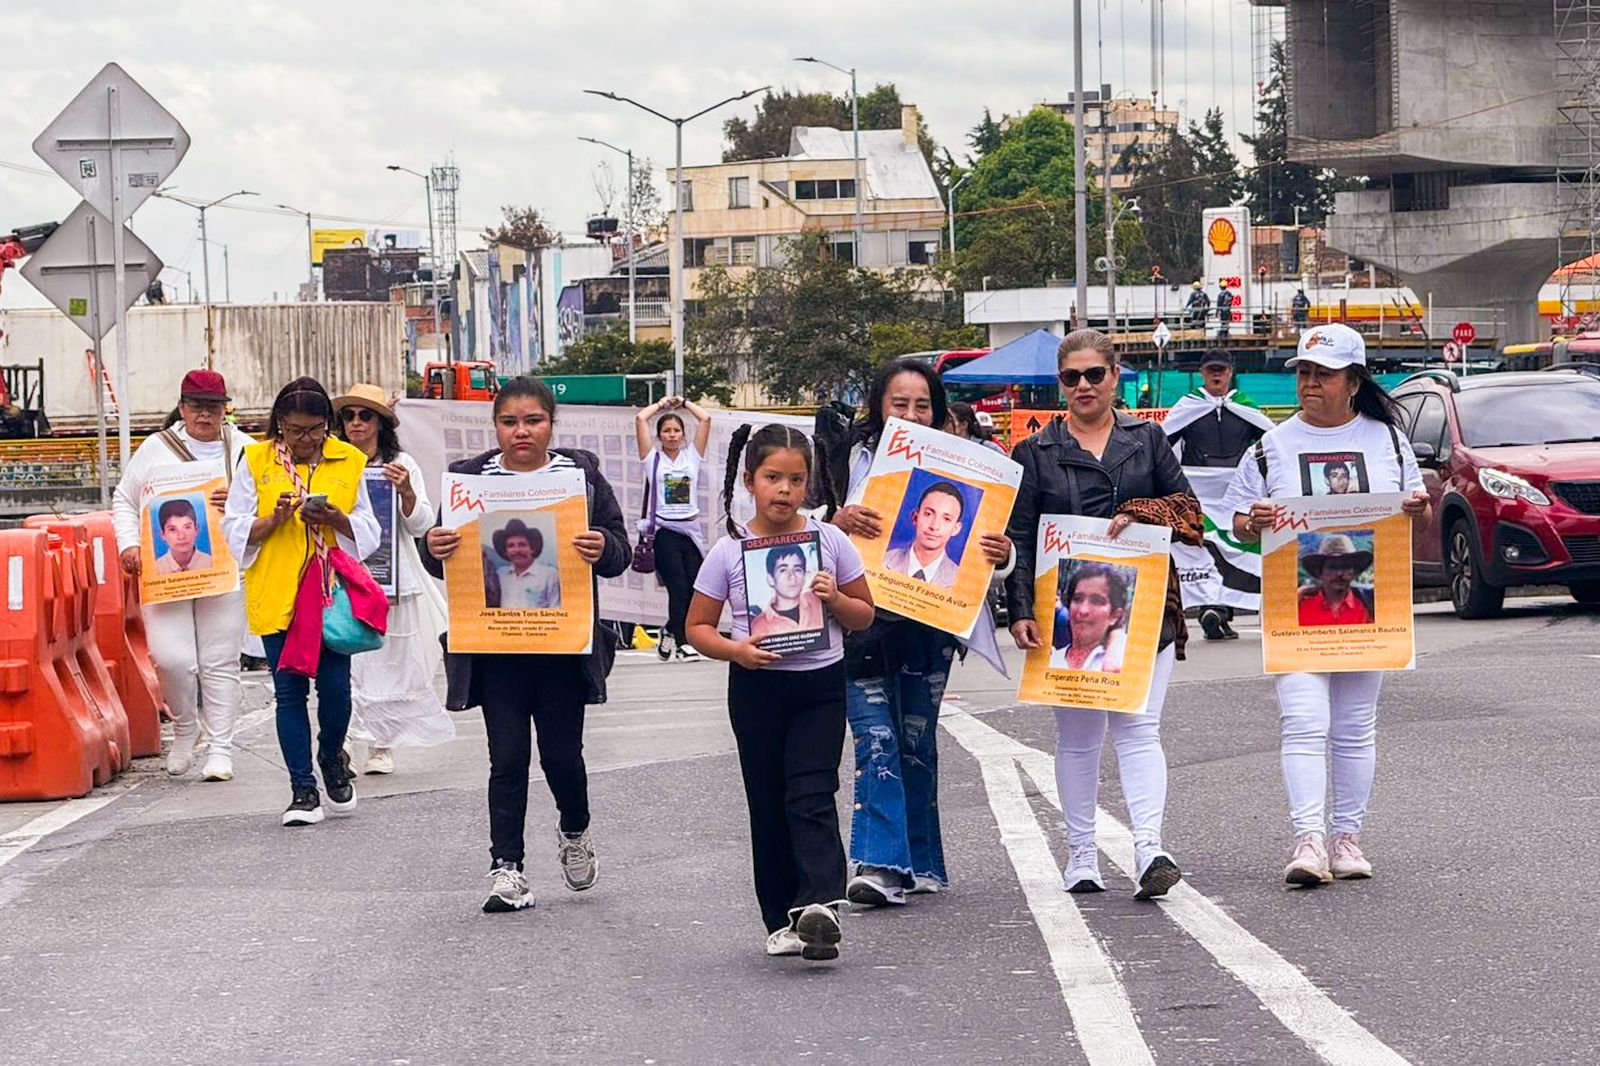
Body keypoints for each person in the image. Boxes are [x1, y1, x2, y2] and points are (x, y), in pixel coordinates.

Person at [1223, 322, 1429, 886]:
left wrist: (1416, 509)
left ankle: (1347, 838)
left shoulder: (1387, 441)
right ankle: (1308, 841)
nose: (1310, 384)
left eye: (1324, 375)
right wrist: (1253, 521)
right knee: (1303, 722)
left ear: (1353, 382)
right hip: (1293, 607)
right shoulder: (1271, 446)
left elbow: (1420, 511)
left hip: (1372, 604)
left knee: (1356, 726)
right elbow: (1237, 524)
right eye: (1305, 373)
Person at [1006, 328, 1205, 899]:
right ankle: (1082, 856)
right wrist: (1020, 607)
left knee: (1140, 730)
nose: (1085, 386)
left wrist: (1142, 510)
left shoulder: (1149, 441)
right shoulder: (1036, 452)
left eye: (1095, 374)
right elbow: (1018, 534)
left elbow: (1191, 513)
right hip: (1068, 615)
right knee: (1077, 740)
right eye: (1072, 377)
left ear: (1115, 377)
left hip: (1147, 612)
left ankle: (1150, 850)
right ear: (1060, 384)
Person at [421, 377, 631, 914]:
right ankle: (506, 869)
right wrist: (434, 546)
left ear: (551, 424)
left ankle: (575, 831)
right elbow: (445, 557)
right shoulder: (469, 479)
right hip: (495, 648)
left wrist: (602, 545)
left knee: (563, 757)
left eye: (533, 420)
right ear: (495, 426)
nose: (521, 431)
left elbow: (619, 550)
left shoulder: (579, 477)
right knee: (507, 757)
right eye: (510, 421)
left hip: (562, 648)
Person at [830, 359, 1014, 907]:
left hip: (930, 627)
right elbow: (800, 523)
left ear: (937, 410)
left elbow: (993, 551)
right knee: (877, 739)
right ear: (877, 406)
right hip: (860, 624)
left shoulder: (970, 467)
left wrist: (1002, 557)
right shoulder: (842, 457)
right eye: (898, 403)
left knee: (915, 742)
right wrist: (836, 520)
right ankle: (880, 864)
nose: (909, 414)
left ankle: (920, 860)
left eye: (921, 405)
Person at [686, 424, 875, 959]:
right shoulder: (729, 551)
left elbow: (863, 615)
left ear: (810, 484)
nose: (784, 490)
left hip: (819, 684)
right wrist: (736, 650)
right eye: (773, 478)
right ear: (750, 481)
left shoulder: (829, 542)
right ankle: (781, 918)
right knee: (767, 803)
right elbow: (696, 627)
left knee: (812, 793)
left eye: (796, 479)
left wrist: (834, 597)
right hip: (756, 687)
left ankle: (820, 904)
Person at [223, 377, 381, 826]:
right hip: (277, 591)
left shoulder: (350, 460)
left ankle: (331, 754)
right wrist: (273, 519)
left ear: (327, 426)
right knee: (289, 693)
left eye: (313, 430)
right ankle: (302, 789)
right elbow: (233, 528)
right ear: (279, 425)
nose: (304, 440)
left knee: (335, 688)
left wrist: (337, 518)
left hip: (330, 595)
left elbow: (369, 530)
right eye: (294, 431)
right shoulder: (255, 460)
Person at [112, 369, 250, 781]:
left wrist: (240, 503)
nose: (204, 415)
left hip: (224, 569)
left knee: (220, 660)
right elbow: (125, 499)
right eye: (195, 406)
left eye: (212, 407)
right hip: (164, 574)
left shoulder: (244, 449)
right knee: (171, 658)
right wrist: (128, 544)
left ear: (225, 410)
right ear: (182, 406)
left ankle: (221, 747)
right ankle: (185, 726)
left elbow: (267, 500)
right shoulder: (156, 448)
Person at [334, 382, 454, 777]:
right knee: (351, 663)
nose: (356, 423)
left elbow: (421, 524)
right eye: (349, 416)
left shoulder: (402, 463)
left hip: (394, 578)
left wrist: (404, 491)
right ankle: (345, 741)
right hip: (344, 577)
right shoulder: (332, 462)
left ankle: (382, 744)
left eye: (364, 415)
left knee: (394, 663)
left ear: (380, 423)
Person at [1161, 349, 1274, 641]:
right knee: (1208, 548)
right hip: (1200, 495)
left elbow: (1270, 443)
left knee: (1239, 546)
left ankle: (1222, 610)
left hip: (1237, 494)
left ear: (1230, 372)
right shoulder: (1188, 406)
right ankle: (1214, 608)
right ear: (1202, 373)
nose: (1216, 375)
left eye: (1221, 370)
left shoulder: (1244, 407)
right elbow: (1160, 446)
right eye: (1211, 370)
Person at [635, 396, 713, 662]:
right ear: (659, 436)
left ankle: (669, 630)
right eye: (666, 431)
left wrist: (684, 403)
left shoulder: (692, 456)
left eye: (676, 430)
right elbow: (640, 418)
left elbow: (705, 419)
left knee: (693, 588)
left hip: (690, 531)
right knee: (678, 587)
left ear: (682, 434)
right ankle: (683, 642)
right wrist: (661, 405)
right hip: (664, 531)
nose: (671, 435)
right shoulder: (652, 459)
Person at [882, 481, 965, 589]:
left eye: (946, 519)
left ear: (956, 528)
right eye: (928, 514)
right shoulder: (884, 560)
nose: (935, 526)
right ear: (915, 517)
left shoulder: (959, 582)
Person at [1049, 563, 1130, 673]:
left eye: (1097, 601)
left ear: (1115, 616)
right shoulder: (1051, 658)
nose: (1083, 610)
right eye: (1077, 599)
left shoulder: (1120, 663)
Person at [749, 543, 826, 641]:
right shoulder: (759, 625)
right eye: (783, 570)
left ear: (805, 576)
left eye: (797, 570)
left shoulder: (818, 600)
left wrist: (835, 598)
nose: (792, 577)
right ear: (771, 579)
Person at [1297, 534, 1375, 627]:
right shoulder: (1303, 607)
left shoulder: (1367, 607)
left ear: (1354, 572)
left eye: (1345, 567)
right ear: (1320, 572)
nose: (1339, 573)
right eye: (1332, 567)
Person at [490, 519, 562, 609]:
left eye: (522, 544)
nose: (517, 550)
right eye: (511, 546)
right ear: (506, 552)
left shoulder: (549, 575)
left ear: (532, 548)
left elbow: (556, 608)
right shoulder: (500, 574)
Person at [153, 499, 213, 573]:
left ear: (196, 529)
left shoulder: (211, 563)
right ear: (163, 535)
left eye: (187, 527)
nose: (181, 536)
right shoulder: (155, 569)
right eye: (172, 529)